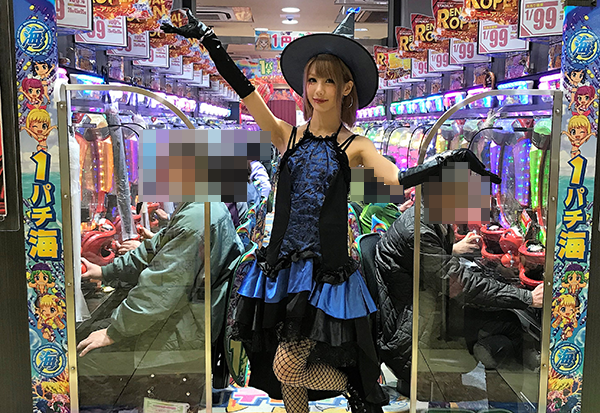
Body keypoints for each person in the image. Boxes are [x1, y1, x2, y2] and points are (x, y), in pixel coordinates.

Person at [162, 10, 401, 413]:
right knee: (284, 372)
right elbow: (244, 90)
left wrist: (445, 168)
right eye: (312, 80)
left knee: (288, 365)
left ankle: (355, 384)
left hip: (327, 272)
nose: (318, 90)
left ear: (346, 87)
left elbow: (395, 179)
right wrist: (207, 38)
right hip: (282, 267)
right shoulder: (285, 135)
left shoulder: (356, 144)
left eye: (329, 80)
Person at [374, 159, 544, 395]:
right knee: (509, 326)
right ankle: (504, 397)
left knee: (507, 320)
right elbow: (461, 284)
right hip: (414, 338)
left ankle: (498, 390)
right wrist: (527, 297)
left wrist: (462, 254)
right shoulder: (418, 229)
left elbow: (438, 268)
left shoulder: (427, 216)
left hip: (427, 313)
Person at [77, 202, 244, 411]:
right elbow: (153, 248)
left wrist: (114, 331)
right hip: (191, 319)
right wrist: (105, 272)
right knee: (93, 334)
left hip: (182, 333)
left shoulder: (196, 219)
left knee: (86, 357)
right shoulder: (200, 206)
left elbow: (160, 289)